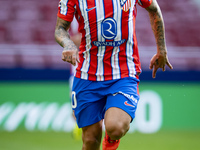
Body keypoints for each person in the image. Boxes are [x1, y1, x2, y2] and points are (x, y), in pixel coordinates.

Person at [55, 0, 173, 149]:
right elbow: (60, 29)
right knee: (90, 140)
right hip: (87, 74)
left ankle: (110, 141)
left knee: (115, 127)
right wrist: (68, 44)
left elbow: (154, 9)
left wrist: (162, 50)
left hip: (123, 72)